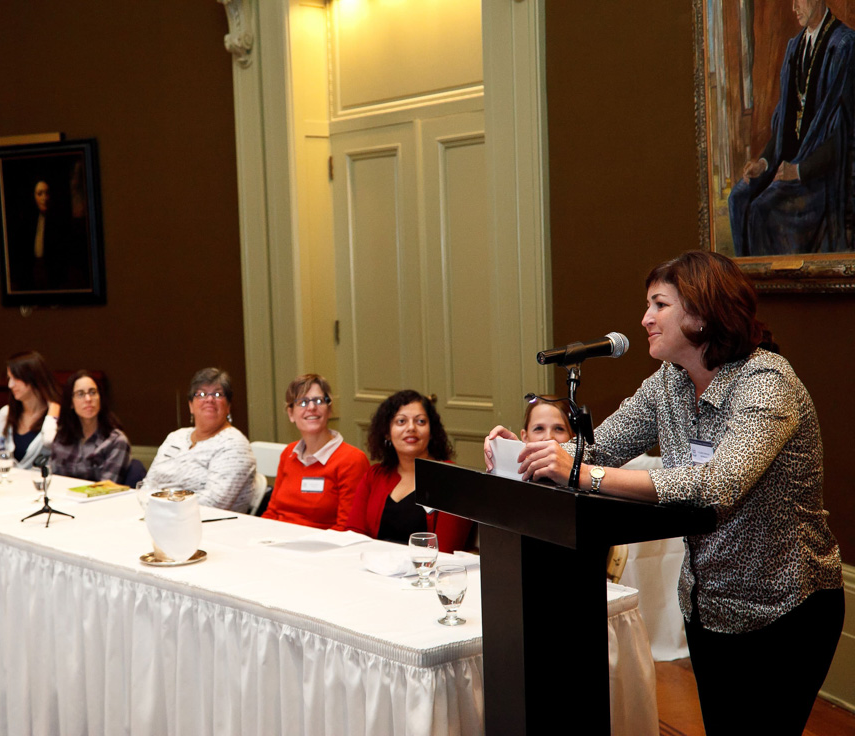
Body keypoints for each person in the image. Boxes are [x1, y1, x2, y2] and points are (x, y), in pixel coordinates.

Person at [484, 251, 843, 735]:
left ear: (701, 312)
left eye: (658, 305)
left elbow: (718, 483)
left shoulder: (767, 384)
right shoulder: (669, 383)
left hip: (784, 608)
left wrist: (581, 475)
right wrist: (526, 454)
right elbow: (600, 448)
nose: (644, 319)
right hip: (708, 603)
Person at [728, 0, 855, 255]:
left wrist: (799, 170)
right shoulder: (794, 47)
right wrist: (764, 162)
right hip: (785, 163)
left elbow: (846, 132)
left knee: (762, 210)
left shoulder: (845, 45)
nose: (794, 7)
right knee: (738, 198)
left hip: (822, 172)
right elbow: (785, 124)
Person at [346, 390, 473, 553]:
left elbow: (445, 551)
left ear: (431, 431)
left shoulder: (450, 479)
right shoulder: (374, 476)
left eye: (420, 421)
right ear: (387, 433)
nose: (411, 428)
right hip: (375, 570)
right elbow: (354, 536)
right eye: (401, 421)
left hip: (426, 573)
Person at [261, 374, 370, 530]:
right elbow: (272, 512)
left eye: (318, 401)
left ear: (329, 409)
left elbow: (349, 528)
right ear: (291, 414)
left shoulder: (352, 459)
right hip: (278, 542)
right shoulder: (289, 453)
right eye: (302, 402)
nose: (311, 407)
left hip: (322, 548)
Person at [143, 367, 255, 512]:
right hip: (158, 516)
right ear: (190, 405)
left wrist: (161, 506)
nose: (209, 399)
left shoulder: (234, 444)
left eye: (218, 394)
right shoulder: (175, 438)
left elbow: (214, 502)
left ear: (228, 406)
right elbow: (148, 485)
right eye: (201, 394)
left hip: (207, 525)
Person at [49, 370, 133, 484]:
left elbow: (105, 489)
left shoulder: (116, 441)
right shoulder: (62, 437)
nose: (88, 399)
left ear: (100, 398)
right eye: (80, 394)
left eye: (92, 392)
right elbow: (53, 480)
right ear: (71, 403)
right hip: (62, 499)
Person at [0, 351, 60, 469]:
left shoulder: (55, 414)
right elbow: (1, 456)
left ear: (32, 378)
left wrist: (53, 410)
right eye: (9, 378)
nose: (10, 385)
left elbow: (49, 441)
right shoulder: (5, 414)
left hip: (42, 484)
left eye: (15, 378)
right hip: (10, 483)